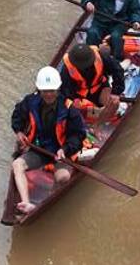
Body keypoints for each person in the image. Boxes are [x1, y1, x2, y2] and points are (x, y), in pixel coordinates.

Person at [11, 66, 86, 214]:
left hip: (60, 153)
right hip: (38, 149)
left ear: (58, 90)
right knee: (17, 164)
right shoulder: (30, 101)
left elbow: (78, 136)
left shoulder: (70, 109)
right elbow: (17, 115)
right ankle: (26, 203)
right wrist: (19, 131)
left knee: (63, 177)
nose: (48, 94)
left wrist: (65, 149)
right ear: (39, 90)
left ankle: (49, 199)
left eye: (52, 90)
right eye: (45, 91)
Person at [60, 43, 125, 121]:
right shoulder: (66, 70)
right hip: (80, 95)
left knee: (114, 102)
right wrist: (73, 101)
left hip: (100, 88)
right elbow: (65, 90)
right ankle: (85, 121)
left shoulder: (101, 56)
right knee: (72, 108)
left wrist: (116, 92)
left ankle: (99, 124)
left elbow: (117, 70)